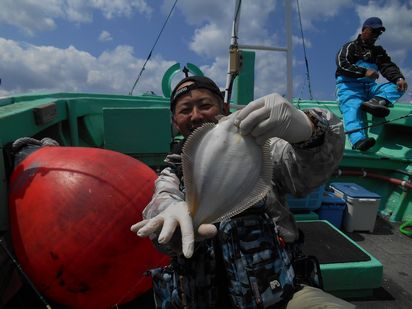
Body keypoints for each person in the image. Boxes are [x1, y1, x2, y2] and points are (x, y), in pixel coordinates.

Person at [131, 75, 354, 308]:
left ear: (224, 108)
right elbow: (161, 206)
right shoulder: (171, 173)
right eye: (185, 110)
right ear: (175, 121)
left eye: (205, 105)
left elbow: (304, 175)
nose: (196, 115)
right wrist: (169, 213)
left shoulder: (262, 147)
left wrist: (310, 130)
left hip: (280, 294)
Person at [335, 17, 408, 151]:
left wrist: (398, 78)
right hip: (349, 87)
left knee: (399, 86)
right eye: (373, 31)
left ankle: (376, 101)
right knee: (352, 108)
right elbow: (342, 64)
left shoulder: (378, 52)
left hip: (370, 89)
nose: (375, 35)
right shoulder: (350, 47)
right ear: (364, 30)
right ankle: (358, 140)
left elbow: (388, 66)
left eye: (378, 33)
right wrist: (363, 72)